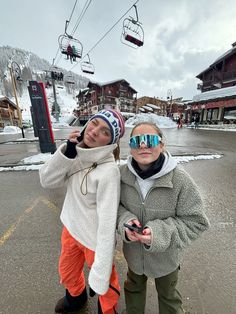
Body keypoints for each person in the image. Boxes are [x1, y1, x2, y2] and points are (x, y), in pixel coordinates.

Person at [117, 122, 210, 314]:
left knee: (168, 295)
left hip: (167, 259)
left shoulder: (180, 180)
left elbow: (196, 222)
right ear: (131, 147)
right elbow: (115, 207)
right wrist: (124, 221)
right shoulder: (121, 176)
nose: (143, 145)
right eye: (136, 141)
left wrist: (159, 233)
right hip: (134, 256)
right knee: (133, 288)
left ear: (162, 145)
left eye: (149, 140)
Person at [39, 109, 125, 314]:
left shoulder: (109, 172)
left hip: (94, 240)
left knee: (104, 283)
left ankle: (107, 311)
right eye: (95, 123)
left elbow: (107, 221)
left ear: (110, 142)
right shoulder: (75, 153)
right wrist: (66, 154)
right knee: (67, 272)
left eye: (104, 132)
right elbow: (47, 181)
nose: (95, 132)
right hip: (70, 228)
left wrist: (103, 264)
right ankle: (75, 298)